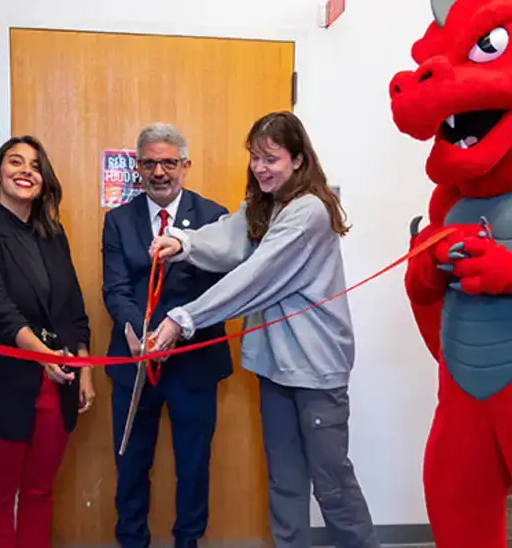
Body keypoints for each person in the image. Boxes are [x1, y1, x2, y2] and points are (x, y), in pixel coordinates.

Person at [146, 111, 379, 548]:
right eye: (255, 157)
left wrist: (184, 318)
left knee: (332, 485)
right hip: (275, 368)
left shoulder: (308, 211)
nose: (260, 167)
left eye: (270, 158)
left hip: (315, 370)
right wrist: (184, 242)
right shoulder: (268, 204)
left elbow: (256, 276)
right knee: (285, 482)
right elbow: (230, 235)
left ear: (297, 159)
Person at [0, 135, 95, 548]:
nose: (25, 170)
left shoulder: (54, 235)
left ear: (43, 180)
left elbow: (73, 309)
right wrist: (45, 355)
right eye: (15, 162)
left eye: (34, 165)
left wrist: (82, 369)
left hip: (56, 383)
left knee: (39, 491)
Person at [102, 123, 234, 548]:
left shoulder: (215, 217)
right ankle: (131, 541)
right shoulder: (118, 221)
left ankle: (188, 542)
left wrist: (177, 330)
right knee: (131, 464)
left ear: (185, 166)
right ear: (137, 168)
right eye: (149, 162)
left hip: (194, 363)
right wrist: (135, 331)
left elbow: (222, 289)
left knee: (194, 466)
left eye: (169, 162)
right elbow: (115, 288)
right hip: (134, 363)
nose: (159, 172)